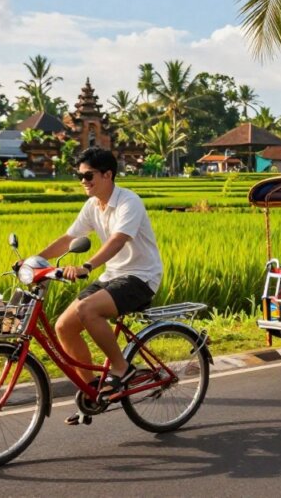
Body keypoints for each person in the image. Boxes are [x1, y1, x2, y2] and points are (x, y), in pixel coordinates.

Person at [34, 147, 164, 422]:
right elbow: (69, 238)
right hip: (113, 276)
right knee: (63, 327)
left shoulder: (129, 202)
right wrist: (35, 260)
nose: (83, 180)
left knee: (88, 310)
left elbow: (118, 239)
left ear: (108, 174)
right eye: (79, 176)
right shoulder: (93, 205)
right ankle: (93, 391)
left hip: (141, 276)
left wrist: (87, 266)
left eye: (88, 175)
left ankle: (121, 367)